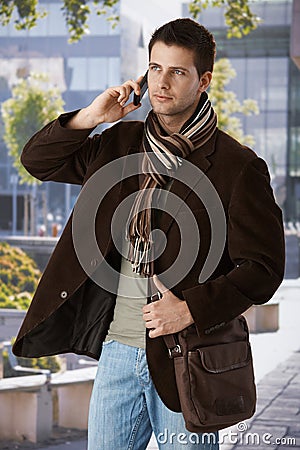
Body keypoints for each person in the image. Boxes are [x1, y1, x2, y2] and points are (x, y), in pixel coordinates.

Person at [13, 18, 285, 449]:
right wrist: (91, 116)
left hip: (189, 357)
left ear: (203, 81)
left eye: (177, 71)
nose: (162, 82)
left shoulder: (239, 166)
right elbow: (37, 161)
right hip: (118, 352)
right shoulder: (119, 143)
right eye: (155, 68)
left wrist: (191, 309)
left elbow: (264, 269)